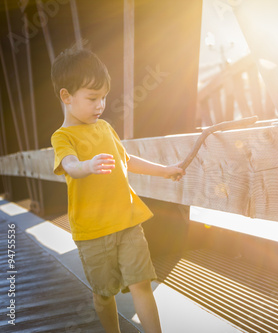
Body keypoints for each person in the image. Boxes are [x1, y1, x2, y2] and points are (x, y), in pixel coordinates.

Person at [50, 44, 184, 333]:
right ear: (66, 96)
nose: (101, 105)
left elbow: (127, 159)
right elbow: (70, 165)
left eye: (104, 97)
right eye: (93, 98)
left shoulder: (106, 127)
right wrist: (88, 166)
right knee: (103, 294)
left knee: (142, 284)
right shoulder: (62, 137)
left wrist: (164, 171)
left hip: (127, 221)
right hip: (92, 232)